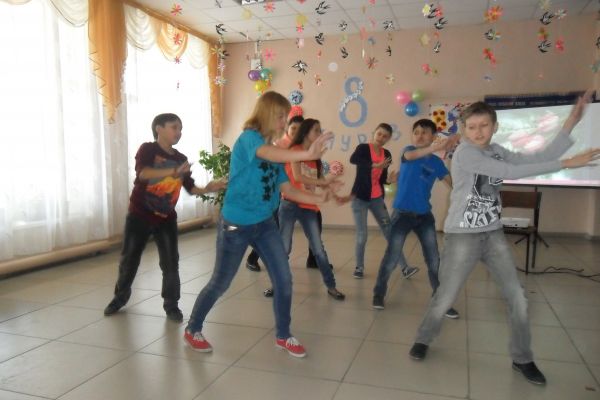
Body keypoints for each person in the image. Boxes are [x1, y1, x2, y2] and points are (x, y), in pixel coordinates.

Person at [409, 91, 600, 386]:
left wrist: (570, 123)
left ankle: (522, 358)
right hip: (462, 235)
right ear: (464, 130)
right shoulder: (465, 153)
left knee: (518, 298)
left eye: (484, 125)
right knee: (445, 296)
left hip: (492, 232)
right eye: (472, 127)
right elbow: (509, 172)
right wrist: (567, 164)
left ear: (495, 126)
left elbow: (538, 158)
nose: (478, 132)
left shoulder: (496, 150)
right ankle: (424, 337)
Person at [184, 91, 333, 358]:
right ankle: (193, 328)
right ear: (266, 114)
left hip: (264, 224)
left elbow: (288, 189)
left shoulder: (277, 153)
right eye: (280, 116)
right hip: (236, 224)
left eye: (285, 117)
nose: (284, 122)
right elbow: (267, 153)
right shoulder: (249, 139)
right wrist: (306, 153)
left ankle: (283, 335)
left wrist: (317, 197)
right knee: (221, 282)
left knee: (284, 279)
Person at [103, 113, 227, 322]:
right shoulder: (148, 149)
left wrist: (208, 188)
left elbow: (190, 188)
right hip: (139, 215)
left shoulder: (181, 159)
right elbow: (143, 173)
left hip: (166, 218)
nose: (178, 132)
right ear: (158, 128)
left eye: (180, 129)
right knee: (129, 259)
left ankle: (171, 305)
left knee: (170, 262)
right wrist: (173, 171)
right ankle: (120, 297)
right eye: (174, 127)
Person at [371, 119, 460, 319]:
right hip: (402, 215)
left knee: (434, 260)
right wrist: (437, 146)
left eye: (424, 132)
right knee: (391, 257)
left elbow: (452, 183)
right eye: (416, 132)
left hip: (424, 216)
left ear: (433, 136)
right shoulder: (408, 151)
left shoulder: (436, 163)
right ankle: (379, 292)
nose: (419, 136)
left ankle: (441, 299)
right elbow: (411, 156)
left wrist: (465, 195)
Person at [271, 118, 345, 300]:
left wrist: (332, 190)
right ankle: (276, 286)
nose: (319, 134)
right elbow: (298, 177)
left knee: (318, 248)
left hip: (309, 206)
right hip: (289, 204)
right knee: (284, 247)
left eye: (320, 130)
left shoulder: (315, 157)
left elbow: (319, 181)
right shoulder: (295, 151)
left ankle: (331, 286)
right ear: (306, 132)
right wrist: (324, 181)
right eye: (316, 130)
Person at [245, 115, 323, 272]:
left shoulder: (304, 148)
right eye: (293, 128)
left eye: (299, 129)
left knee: (316, 222)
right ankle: (253, 258)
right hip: (279, 195)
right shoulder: (279, 146)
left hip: (299, 196)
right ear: (288, 129)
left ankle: (313, 259)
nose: (296, 132)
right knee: (273, 231)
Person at [340, 123, 417, 279]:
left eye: (385, 136)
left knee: (390, 233)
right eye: (379, 134)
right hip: (360, 198)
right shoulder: (363, 148)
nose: (381, 138)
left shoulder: (386, 154)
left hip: (377, 199)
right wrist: (375, 165)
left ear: (388, 139)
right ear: (374, 133)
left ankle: (405, 268)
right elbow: (354, 159)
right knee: (362, 234)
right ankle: (359, 267)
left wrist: (390, 180)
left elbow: (382, 179)